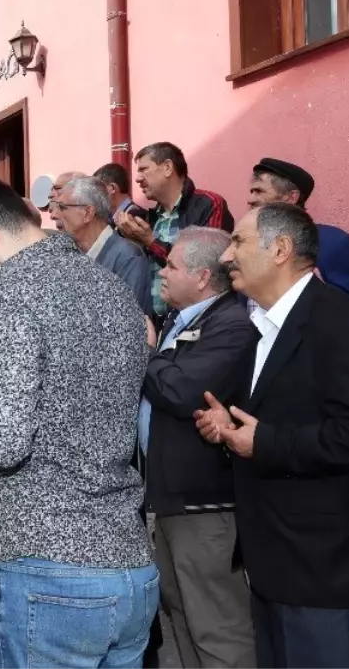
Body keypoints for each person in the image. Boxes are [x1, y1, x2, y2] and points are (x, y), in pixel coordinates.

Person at [0, 174, 158, 667]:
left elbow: (4, 443)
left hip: (51, 571)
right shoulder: (109, 284)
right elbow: (81, 391)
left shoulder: (15, 289)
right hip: (130, 563)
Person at [197, 203, 349, 669]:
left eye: (239, 242)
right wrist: (229, 426)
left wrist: (264, 442)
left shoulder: (341, 324)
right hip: (276, 565)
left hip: (328, 573)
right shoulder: (263, 324)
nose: (227, 256)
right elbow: (278, 411)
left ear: (281, 249)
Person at [142, 227, 257, 669]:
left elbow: (185, 389)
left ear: (204, 276)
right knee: (183, 616)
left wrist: (147, 353)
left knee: (217, 625)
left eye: (171, 265)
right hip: (175, 498)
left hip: (205, 504)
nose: (162, 273)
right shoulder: (183, 318)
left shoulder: (231, 324)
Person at [116, 142, 235, 320]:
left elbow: (205, 264)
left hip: (199, 321)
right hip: (157, 322)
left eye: (144, 169)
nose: (138, 178)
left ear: (167, 167)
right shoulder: (151, 217)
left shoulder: (208, 203)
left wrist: (150, 241)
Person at [247, 158, 349, 296]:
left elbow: (348, 307)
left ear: (290, 197)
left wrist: (314, 289)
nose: (250, 199)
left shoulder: (333, 242)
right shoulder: (247, 242)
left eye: (259, 191)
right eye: (251, 191)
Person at [52, 175, 152, 314]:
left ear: (87, 213)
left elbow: (128, 322)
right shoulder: (69, 254)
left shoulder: (128, 258)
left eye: (62, 207)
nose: (54, 215)